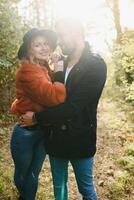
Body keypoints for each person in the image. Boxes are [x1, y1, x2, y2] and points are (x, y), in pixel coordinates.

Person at [21, 18, 107, 200]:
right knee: (59, 187)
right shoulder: (62, 63)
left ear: (76, 33)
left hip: (80, 137)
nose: (58, 42)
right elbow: (47, 94)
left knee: (86, 189)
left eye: (61, 35)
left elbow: (73, 107)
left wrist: (37, 117)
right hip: (56, 137)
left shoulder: (96, 65)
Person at [10, 28, 66, 200]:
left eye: (46, 44)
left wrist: (18, 106)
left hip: (41, 129)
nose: (44, 48)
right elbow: (56, 96)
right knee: (23, 174)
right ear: (29, 49)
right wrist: (59, 70)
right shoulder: (28, 71)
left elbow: (26, 97)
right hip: (26, 134)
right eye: (37, 45)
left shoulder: (41, 68)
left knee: (34, 174)